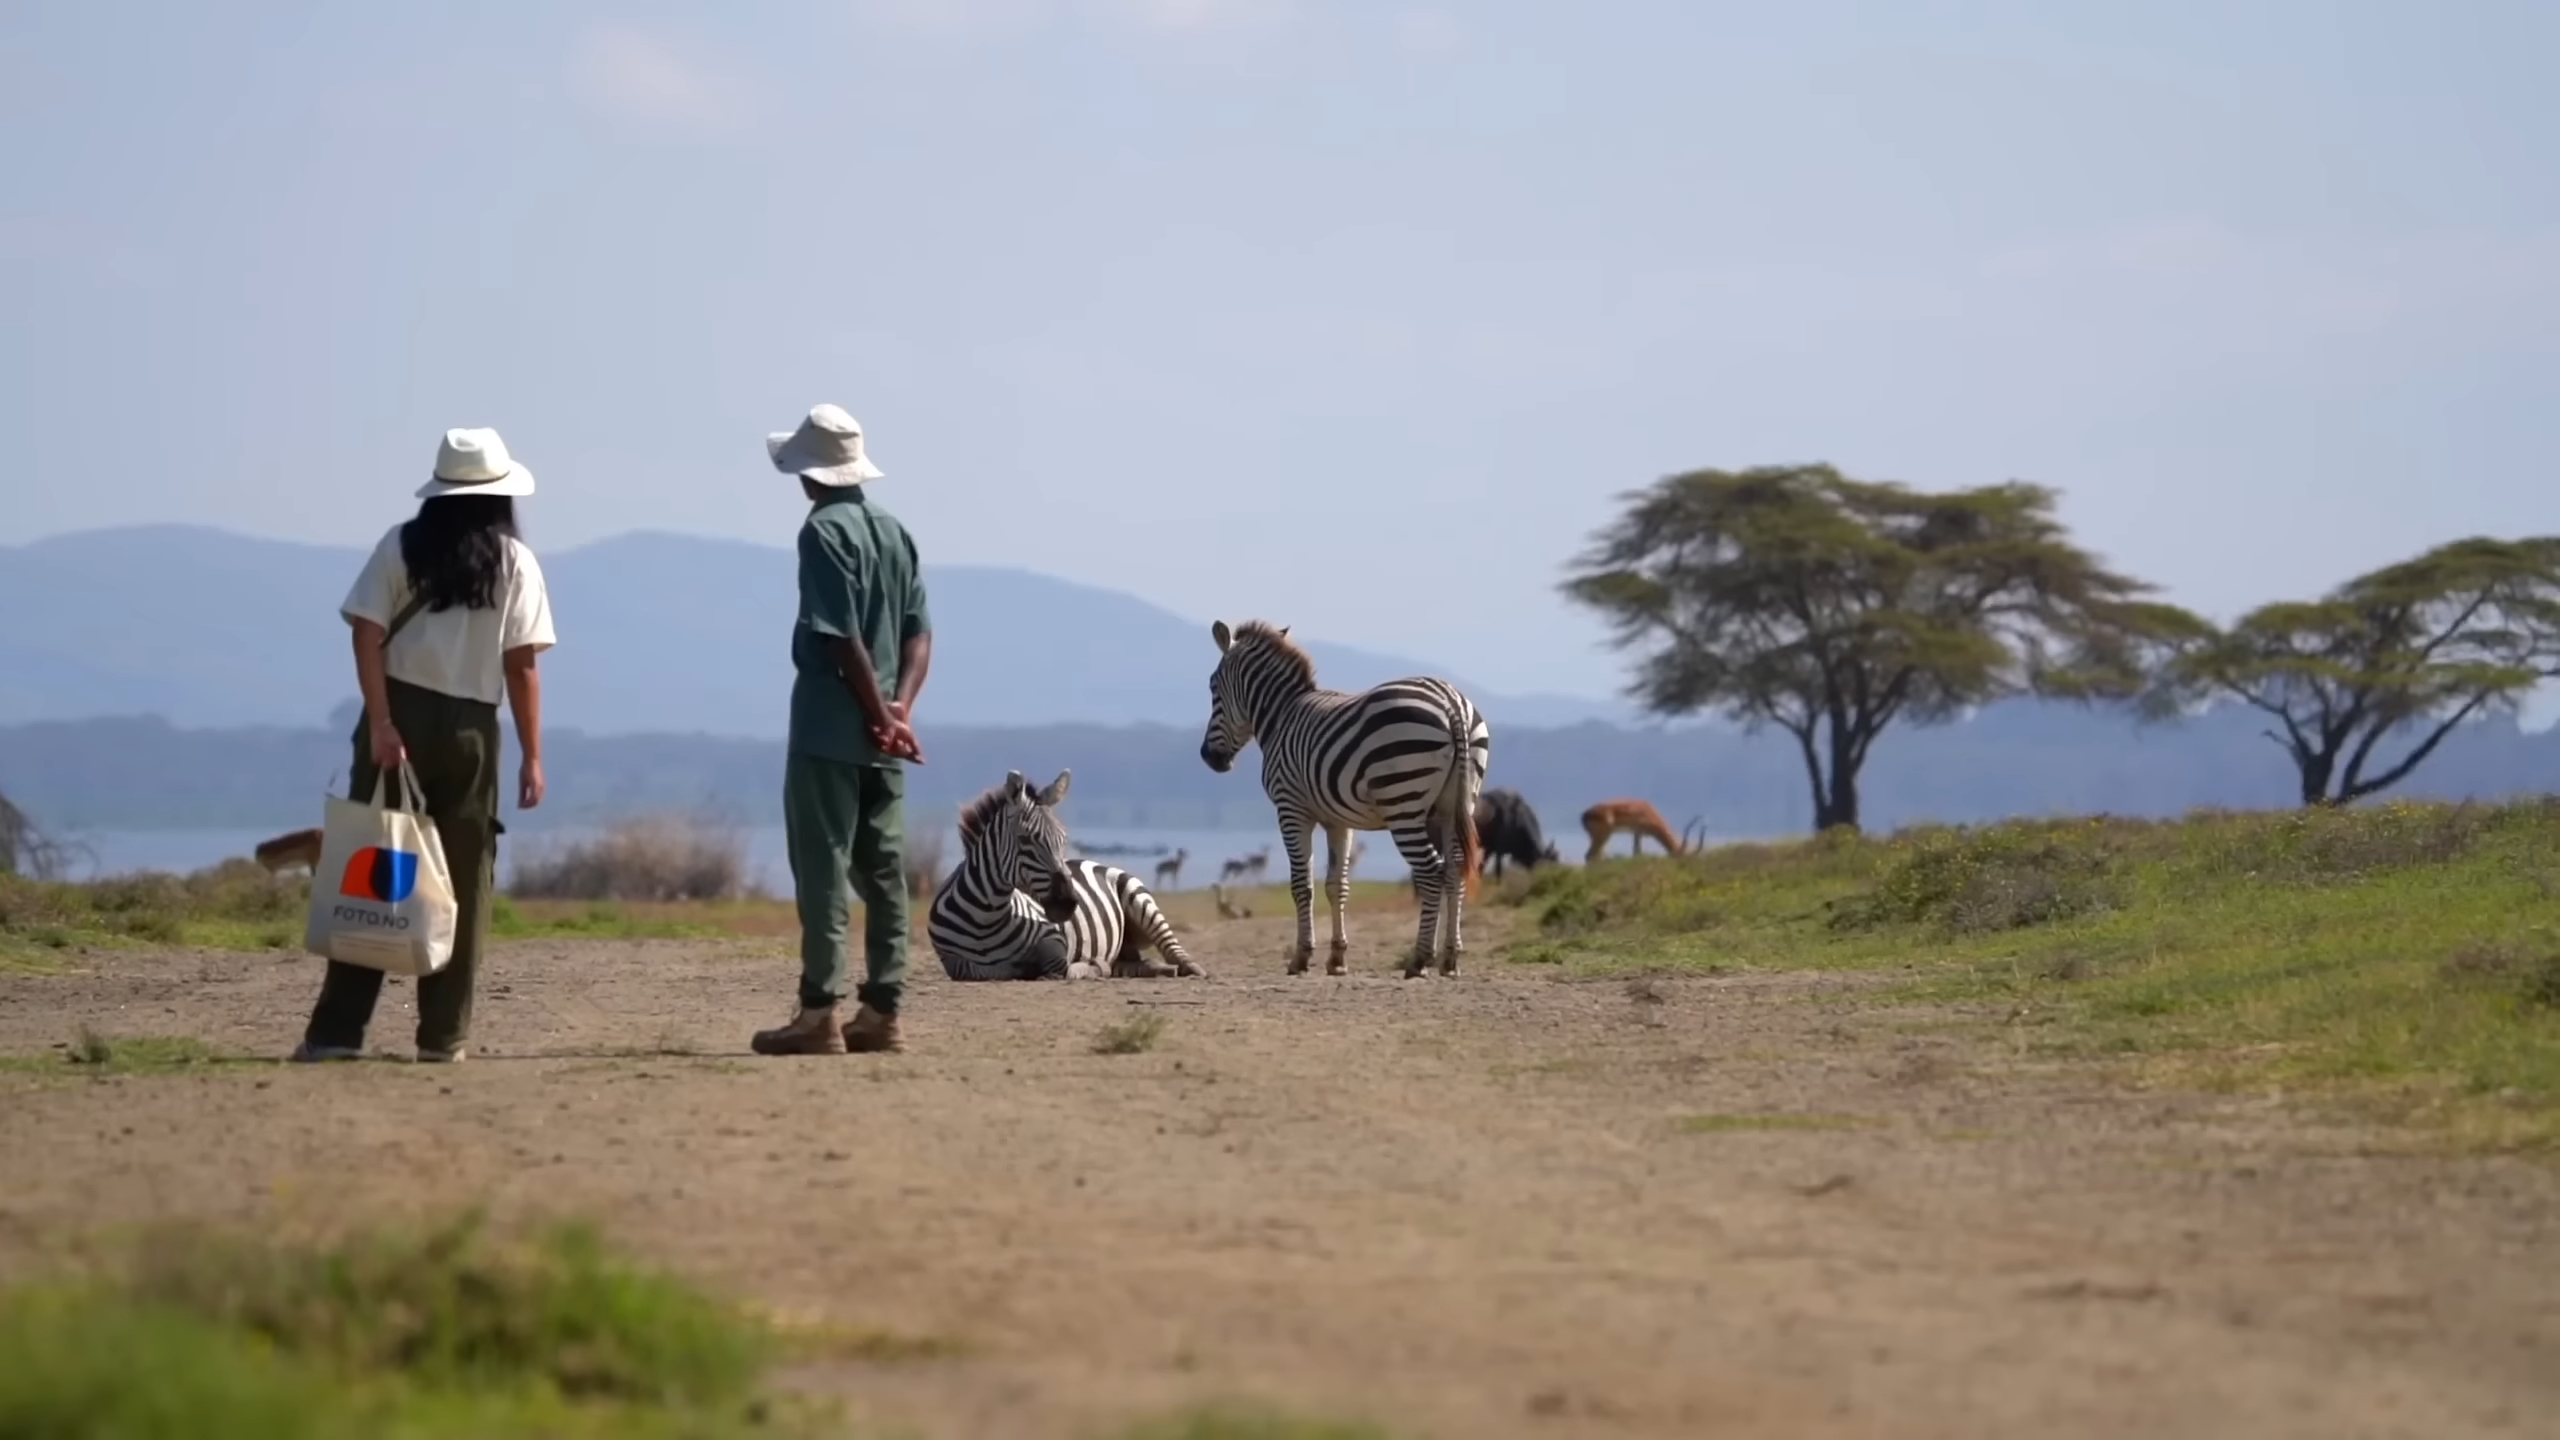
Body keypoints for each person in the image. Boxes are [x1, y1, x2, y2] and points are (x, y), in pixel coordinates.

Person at [292, 427, 556, 1064]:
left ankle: (338, 1033)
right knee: (464, 881)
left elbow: (366, 635)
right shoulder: (514, 562)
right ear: (499, 495)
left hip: (398, 715)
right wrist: (532, 754)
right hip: (472, 728)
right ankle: (443, 1036)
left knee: (374, 869)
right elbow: (522, 666)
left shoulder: (399, 545)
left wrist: (382, 723)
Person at [751, 404, 933, 1057]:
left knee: (823, 869)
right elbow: (918, 634)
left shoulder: (822, 532)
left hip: (831, 727)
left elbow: (840, 638)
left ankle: (818, 1013)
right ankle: (884, 1010)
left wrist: (879, 714)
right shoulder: (895, 532)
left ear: (810, 473)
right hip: (886, 739)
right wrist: (900, 710)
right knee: (884, 871)